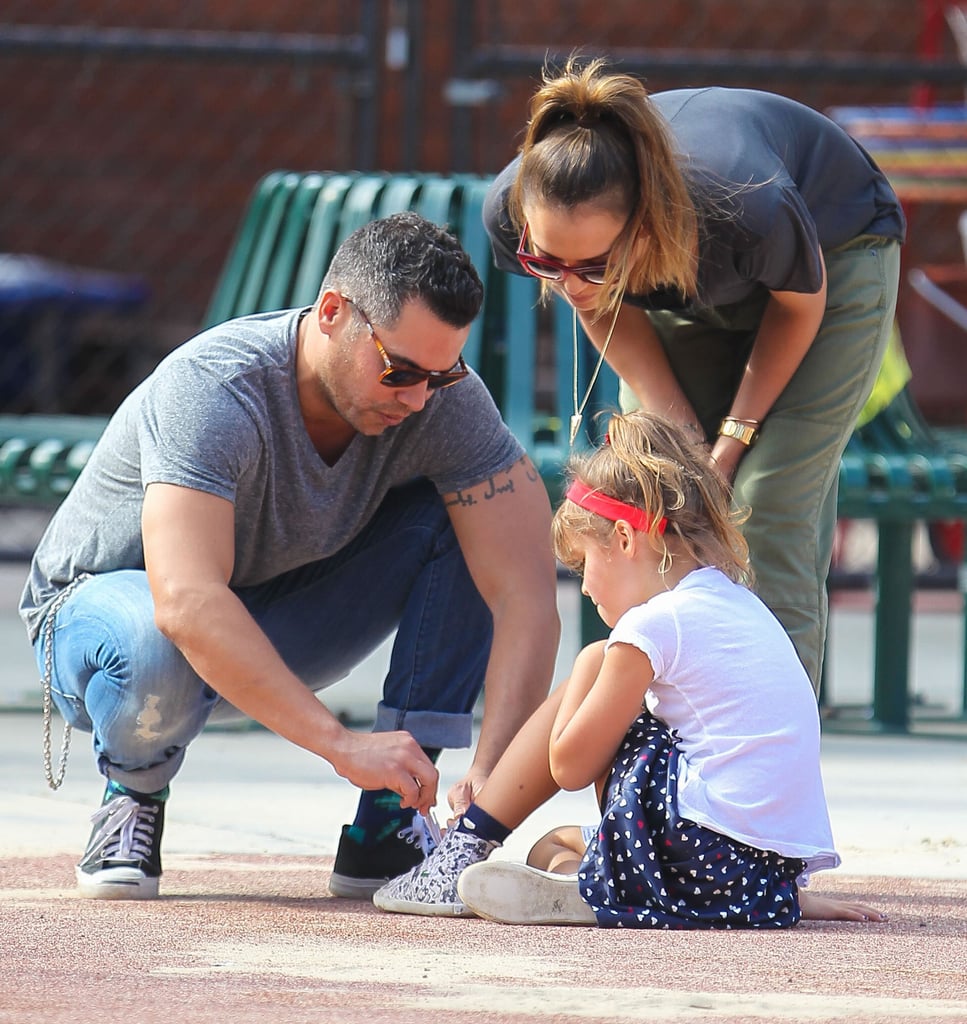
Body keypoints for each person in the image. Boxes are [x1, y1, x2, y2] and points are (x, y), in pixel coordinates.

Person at [20, 211, 560, 901]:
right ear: (332, 312)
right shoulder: (215, 388)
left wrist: (493, 776)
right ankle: (133, 792)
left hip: (265, 607)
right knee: (154, 640)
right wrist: (340, 745)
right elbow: (187, 601)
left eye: (441, 375)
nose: (419, 398)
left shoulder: (435, 399)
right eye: (399, 371)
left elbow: (524, 593)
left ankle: (391, 818)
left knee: (464, 525)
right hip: (105, 620)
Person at [482, 57, 905, 691]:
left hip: (832, 262)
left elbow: (797, 308)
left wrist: (730, 445)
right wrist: (682, 435)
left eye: (591, 264)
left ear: (645, 223)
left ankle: (765, 751)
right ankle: (666, 725)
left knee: (768, 502)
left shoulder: (747, 204)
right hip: (684, 281)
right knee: (659, 497)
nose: (568, 286)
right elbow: (599, 307)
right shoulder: (519, 210)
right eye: (547, 263)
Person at [373, 411, 885, 928]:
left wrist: (588, 663)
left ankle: (463, 849)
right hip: (756, 877)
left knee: (597, 673)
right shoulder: (738, 604)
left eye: (583, 565)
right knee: (555, 844)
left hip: (700, 853)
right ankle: (584, 882)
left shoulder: (653, 625)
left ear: (623, 538)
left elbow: (569, 768)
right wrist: (778, 888)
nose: (587, 588)